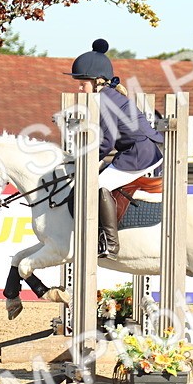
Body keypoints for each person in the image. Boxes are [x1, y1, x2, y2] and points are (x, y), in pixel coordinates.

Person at [67, 38, 164, 260]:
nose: (79, 88)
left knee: (100, 185)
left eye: (83, 83)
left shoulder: (103, 101)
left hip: (139, 154)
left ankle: (111, 243)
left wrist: (83, 163)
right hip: (137, 151)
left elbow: (105, 143)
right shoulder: (107, 96)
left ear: (98, 81)